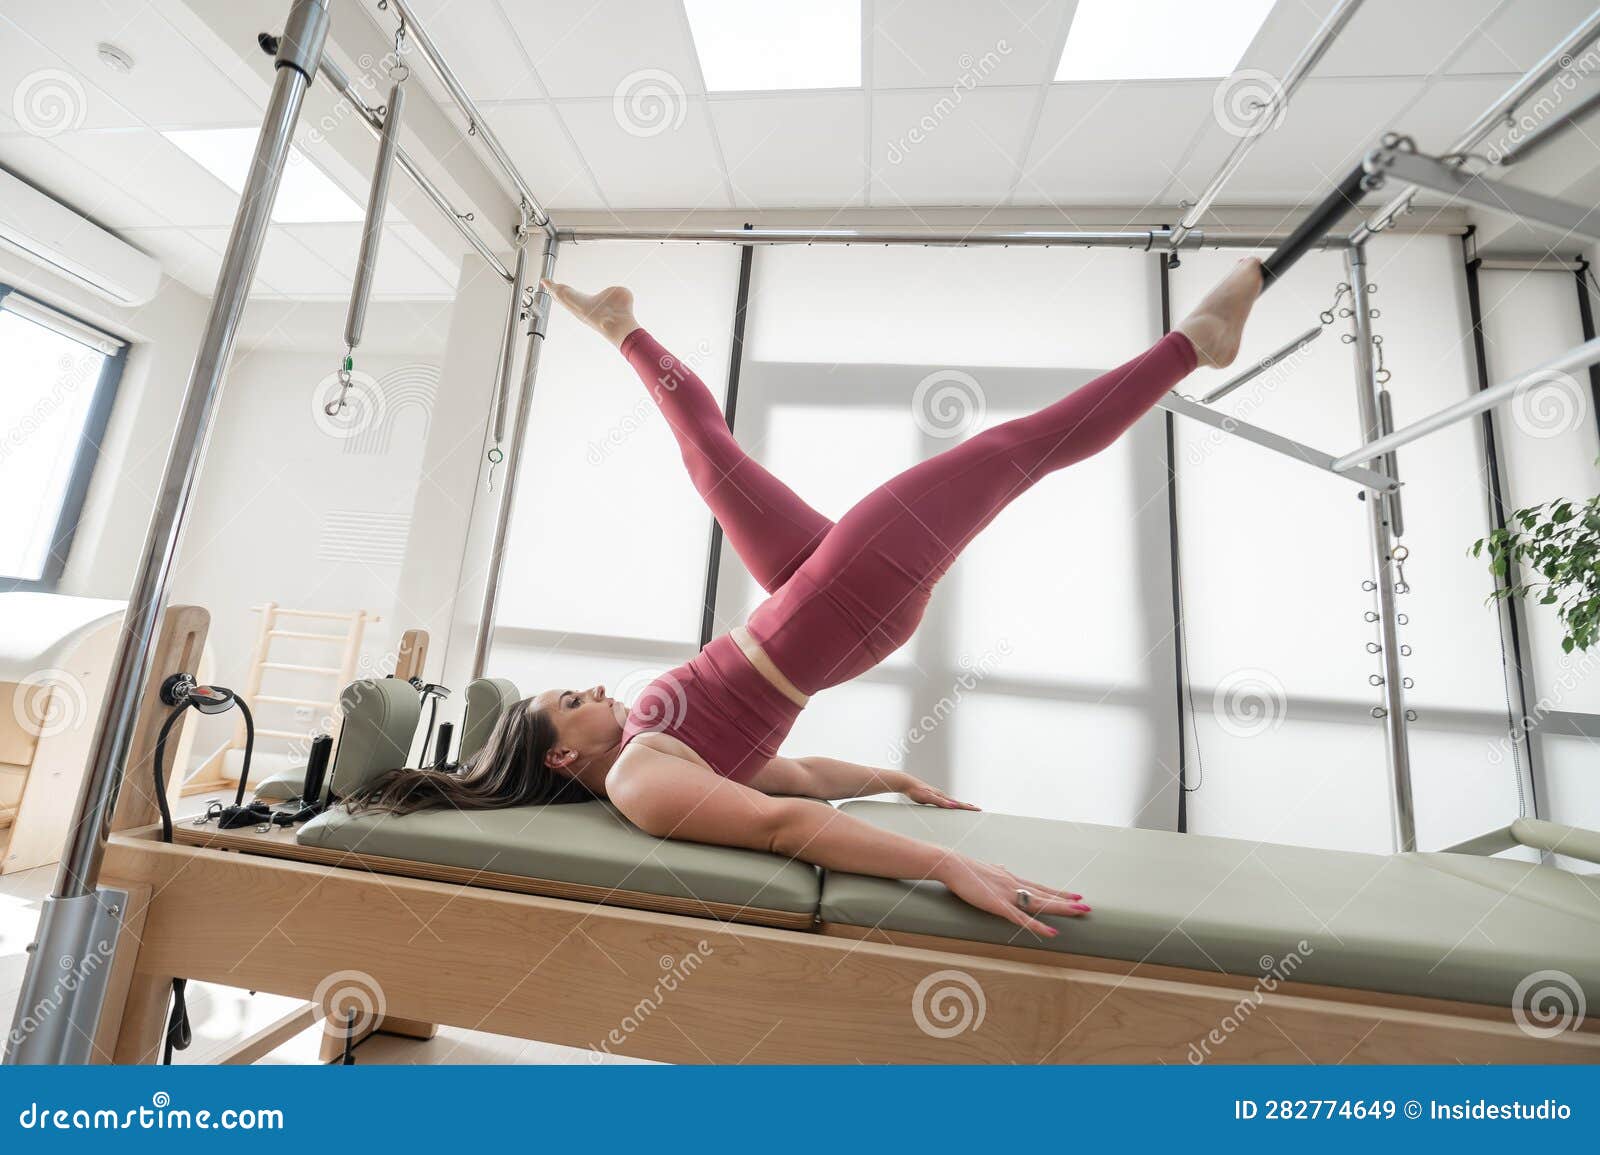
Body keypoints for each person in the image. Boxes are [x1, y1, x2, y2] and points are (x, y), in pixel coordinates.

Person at [351, 259, 1264, 937]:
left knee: (711, 460)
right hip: (843, 605)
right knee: (1007, 453)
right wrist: (946, 863)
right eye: (571, 702)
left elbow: (797, 778)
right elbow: (788, 824)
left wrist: (892, 780)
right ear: (561, 756)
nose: (592, 689)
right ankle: (1194, 343)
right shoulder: (639, 780)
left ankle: (623, 326)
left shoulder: (653, 761)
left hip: (805, 598)